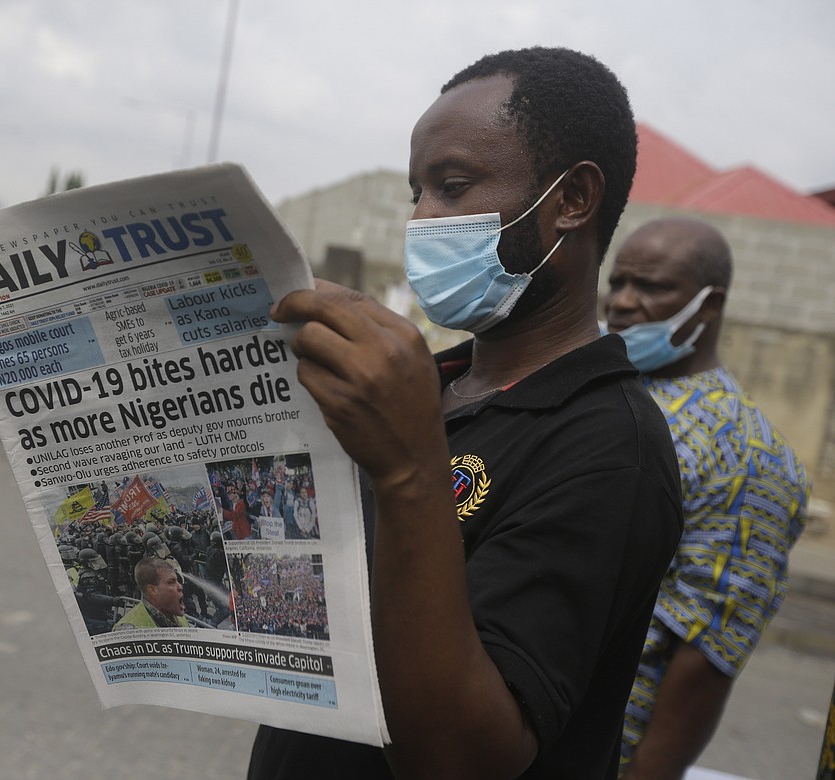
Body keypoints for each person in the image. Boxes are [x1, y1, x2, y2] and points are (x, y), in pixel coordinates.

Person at [248, 47, 683, 779]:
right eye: (415, 193)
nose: (421, 221)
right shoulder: (428, 386)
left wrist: (410, 470)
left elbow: (462, 759)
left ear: (572, 199)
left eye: (452, 187)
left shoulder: (610, 445)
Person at [604, 217, 811, 777]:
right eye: (617, 281)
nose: (622, 301)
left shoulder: (747, 453)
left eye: (651, 288)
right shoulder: (599, 389)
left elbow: (708, 650)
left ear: (709, 304)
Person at [112, 557, 190, 630]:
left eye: (177, 581)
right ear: (153, 590)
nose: (180, 587)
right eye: (171, 582)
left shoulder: (179, 617)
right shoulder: (129, 629)